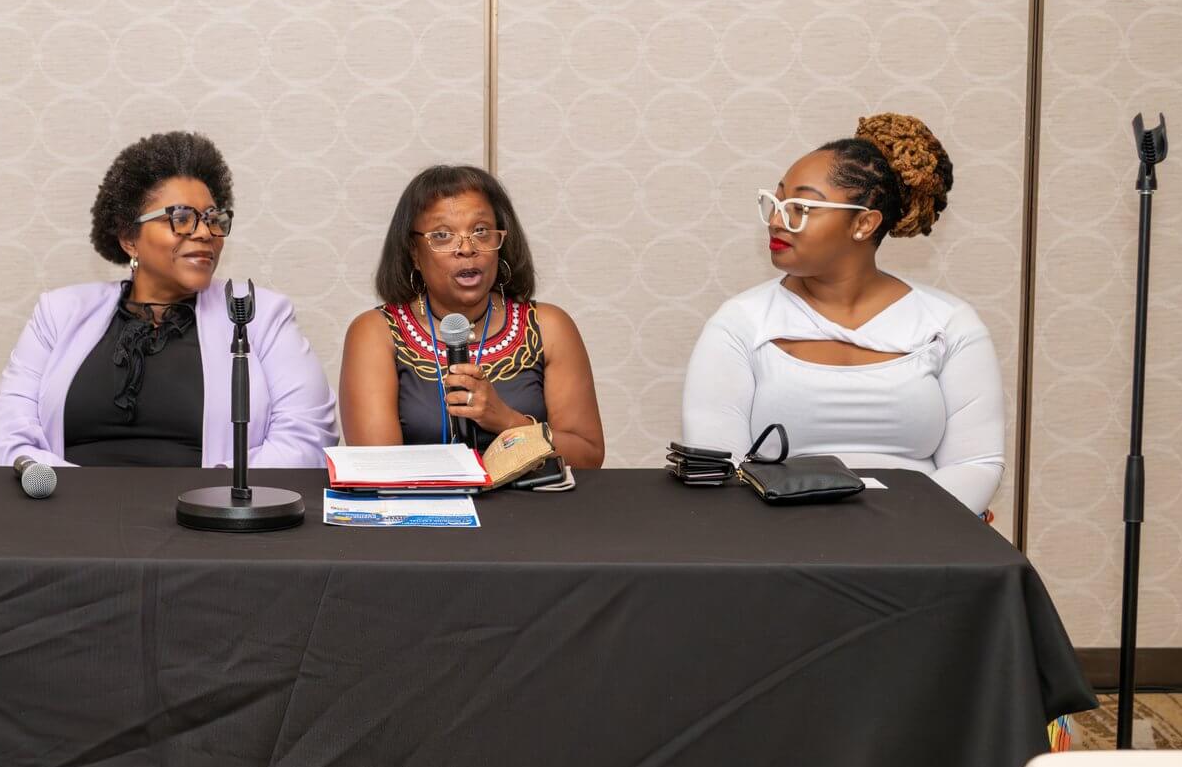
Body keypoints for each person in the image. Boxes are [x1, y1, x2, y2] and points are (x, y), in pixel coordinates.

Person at [681, 113, 1003, 512]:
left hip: (921, 538)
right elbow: (721, 469)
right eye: (776, 202)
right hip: (782, 536)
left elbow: (976, 464)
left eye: (801, 207)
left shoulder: (949, 324)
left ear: (864, 223)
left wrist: (905, 534)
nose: (777, 221)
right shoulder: (739, 323)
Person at [0, 130, 335, 468]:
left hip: (207, 511)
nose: (204, 232)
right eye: (181, 218)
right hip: (70, 507)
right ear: (129, 238)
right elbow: (4, 441)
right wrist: (80, 493)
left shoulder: (258, 315)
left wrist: (207, 492)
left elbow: (307, 442)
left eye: (213, 219)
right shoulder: (59, 314)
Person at [339, 165, 605, 467]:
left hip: (530, 499)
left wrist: (507, 421)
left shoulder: (549, 327)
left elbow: (588, 457)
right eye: (442, 235)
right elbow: (377, 468)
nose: (467, 248)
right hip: (422, 499)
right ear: (414, 252)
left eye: (481, 231)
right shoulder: (376, 333)